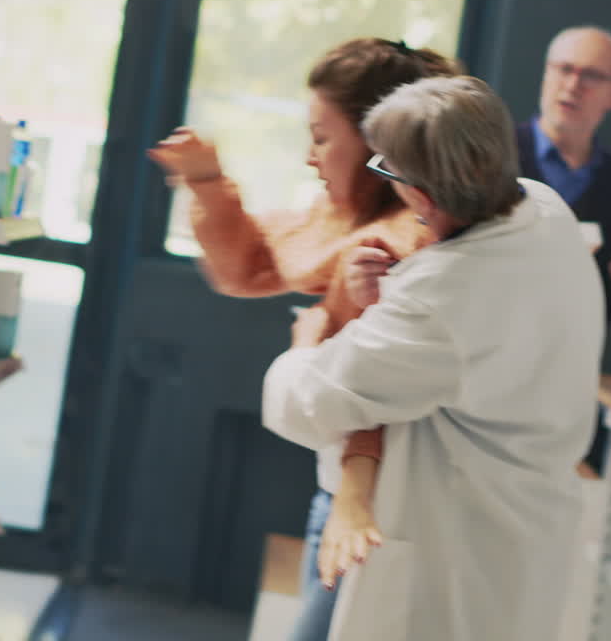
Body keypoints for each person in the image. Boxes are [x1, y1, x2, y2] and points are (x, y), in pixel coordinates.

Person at [262, 75, 605, 641]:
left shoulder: (443, 301)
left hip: (452, 557)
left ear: (420, 194)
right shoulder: (544, 210)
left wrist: (307, 341)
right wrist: (394, 293)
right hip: (524, 532)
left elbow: (309, 402)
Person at [146, 38, 456, 641]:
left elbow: (377, 388)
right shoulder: (350, 225)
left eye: (321, 137)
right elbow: (251, 262)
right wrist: (207, 181)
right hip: (346, 494)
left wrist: (312, 347)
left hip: (374, 508)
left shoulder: (393, 246)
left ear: (374, 141)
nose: (309, 157)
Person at [516, 25, 611, 475]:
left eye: (591, 75)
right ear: (545, 75)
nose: (573, 84)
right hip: (484, 365)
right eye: (564, 69)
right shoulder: (494, 158)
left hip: (565, 382)